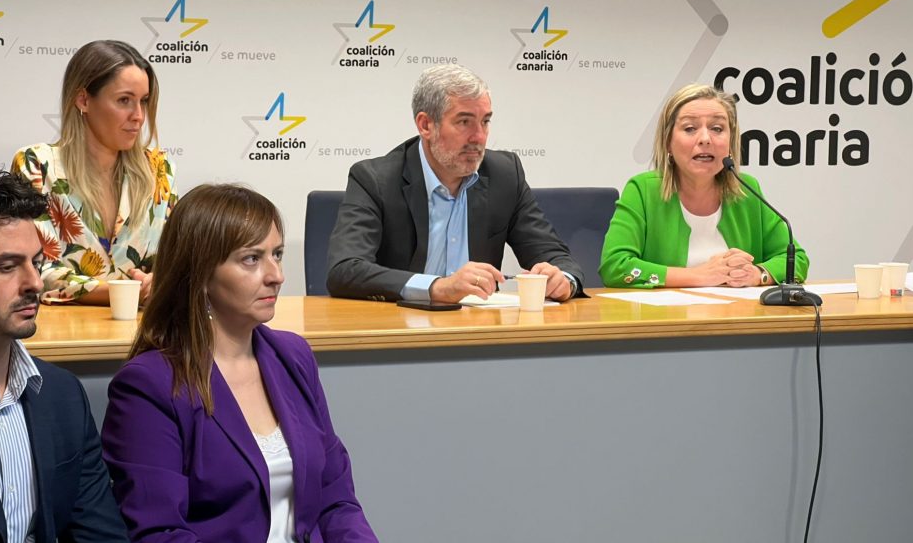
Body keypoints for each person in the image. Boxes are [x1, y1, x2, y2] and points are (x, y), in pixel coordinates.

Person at [101, 184, 378, 543]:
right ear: (200, 275)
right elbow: (160, 533)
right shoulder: (150, 385)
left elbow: (336, 499)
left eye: (276, 254)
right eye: (252, 258)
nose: (276, 274)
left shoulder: (293, 356)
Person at [0, 170, 128, 542]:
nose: (34, 283)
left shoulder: (62, 395)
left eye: (36, 262)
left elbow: (99, 534)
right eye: (6, 267)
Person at [326, 64, 584, 303]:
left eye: (485, 121)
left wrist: (563, 280)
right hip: (399, 331)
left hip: (478, 332)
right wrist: (437, 288)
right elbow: (345, 269)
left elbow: (555, 255)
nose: (479, 137)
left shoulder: (505, 175)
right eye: (464, 122)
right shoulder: (375, 179)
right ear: (426, 125)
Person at [13, 39, 176, 305]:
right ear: (83, 100)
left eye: (143, 101)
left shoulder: (159, 171)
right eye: (124, 100)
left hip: (145, 333)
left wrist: (159, 282)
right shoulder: (36, 165)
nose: (138, 116)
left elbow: (173, 265)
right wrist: (128, 293)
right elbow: (36, 271)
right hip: (65, 338)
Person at [599, 83, 809, 288]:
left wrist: (757, 274)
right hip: (667, 320)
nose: (705, 139)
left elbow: (796, 260)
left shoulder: (746, 190)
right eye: (690, 128)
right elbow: (615, 266)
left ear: (730, 140)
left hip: (735, 319)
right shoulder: (643, 190)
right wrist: (697, 276)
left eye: (717, 128)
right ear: (667, 141)